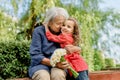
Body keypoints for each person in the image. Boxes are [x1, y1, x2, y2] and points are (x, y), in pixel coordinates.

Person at [28, 7, 81, 80]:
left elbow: (76, 49)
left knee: (58, 75)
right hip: (40, 65)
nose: (62, 27)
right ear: (49, 22)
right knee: (43, 76)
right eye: (58, 24)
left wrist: (73, 50)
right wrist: (55, 64)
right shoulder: (39, 31)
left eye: (63, 24)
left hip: (60, 66)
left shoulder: (65, 32)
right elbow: (36, 55)